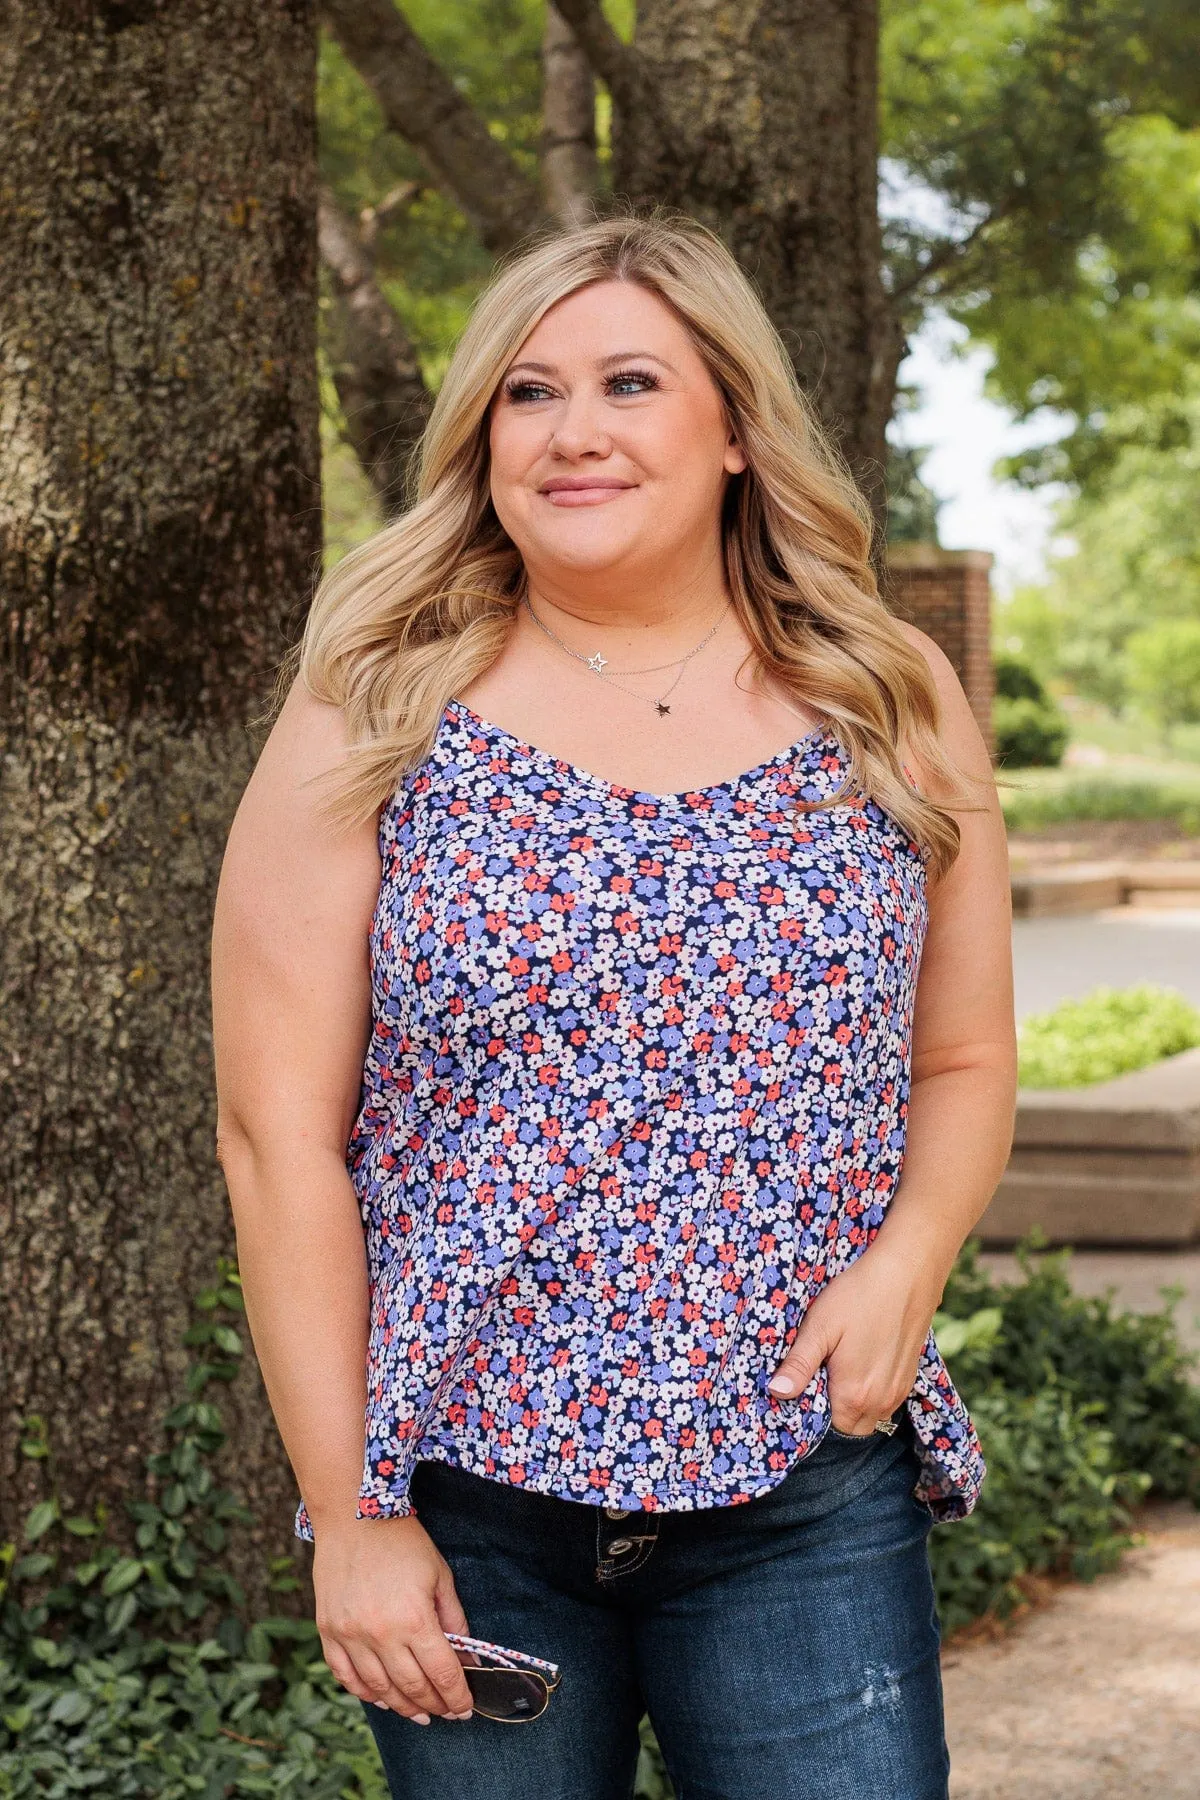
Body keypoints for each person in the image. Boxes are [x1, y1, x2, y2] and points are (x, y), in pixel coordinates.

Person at [211, 207, 1017, 1800]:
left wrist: (911, 1255)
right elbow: (272, 1134)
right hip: (466, 1505)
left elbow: (970, 1054)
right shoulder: (376, 698)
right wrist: (353, 1516)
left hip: (804, 1487)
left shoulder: (888, 696)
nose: (572, 431)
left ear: (734, 428)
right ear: (480, 436)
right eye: (527, 392)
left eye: (630, 382)